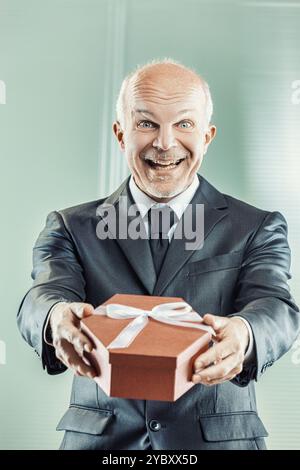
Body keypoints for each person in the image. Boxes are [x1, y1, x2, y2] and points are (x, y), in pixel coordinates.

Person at [17, 58, 300, 450]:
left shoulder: (256, 226)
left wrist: (245, 334)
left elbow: (275, 306)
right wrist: (56, 317)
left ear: (207, 136)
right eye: (146, 123)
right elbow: (42, 296)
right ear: (120, 134)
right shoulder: (70, 226)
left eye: (183, 124)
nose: (164, 143)